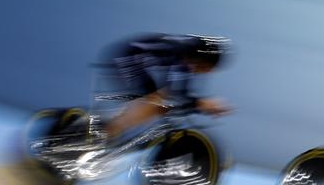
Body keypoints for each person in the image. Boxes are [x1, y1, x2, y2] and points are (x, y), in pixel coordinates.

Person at [98, 33, 233, 141]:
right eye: (207, 69)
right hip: (125, 59)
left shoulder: (188, 57)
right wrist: (200, 104)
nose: (206, 73)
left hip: (134, 60)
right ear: (202, 61)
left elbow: (181, 94)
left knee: (161, 103)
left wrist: (197, 104)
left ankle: (112, 123)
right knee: (155, 101)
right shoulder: (179, 54)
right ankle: (109, 130)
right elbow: (177, 94)